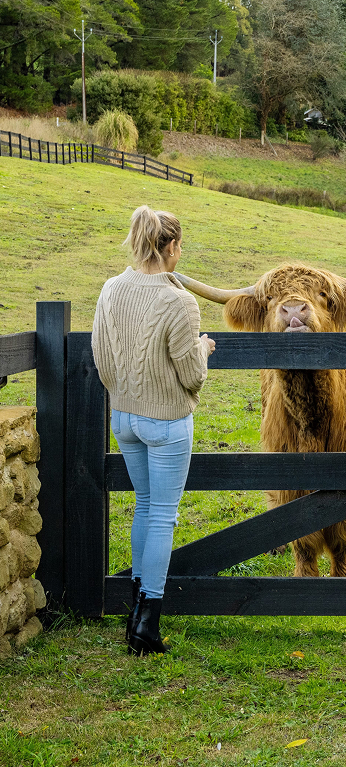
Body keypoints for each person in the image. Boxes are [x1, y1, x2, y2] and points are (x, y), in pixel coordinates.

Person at [92, 205, 215, 656]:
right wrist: (203, 349)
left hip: (123, 417)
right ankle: (148, 621)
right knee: (163, 515)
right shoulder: (178, 300)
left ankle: (134, 611)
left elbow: (101, 356)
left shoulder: (110, 289)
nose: (181, 254)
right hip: (166, 422)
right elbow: (192, 377)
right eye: (179, 246)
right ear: (170, 247)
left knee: (144, 508)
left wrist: (125, 393)